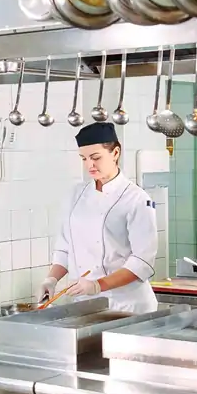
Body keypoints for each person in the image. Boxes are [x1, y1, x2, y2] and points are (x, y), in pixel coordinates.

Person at [39, 123, 159, 313]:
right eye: (84, 158)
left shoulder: (136, 199)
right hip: (85, 304)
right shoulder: (76, 194)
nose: (89, 165)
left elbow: (142, 262)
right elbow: (65, 247)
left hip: (126, 305)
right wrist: (51, 279)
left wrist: (97, 285)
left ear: (116, 153)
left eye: (96, 157)